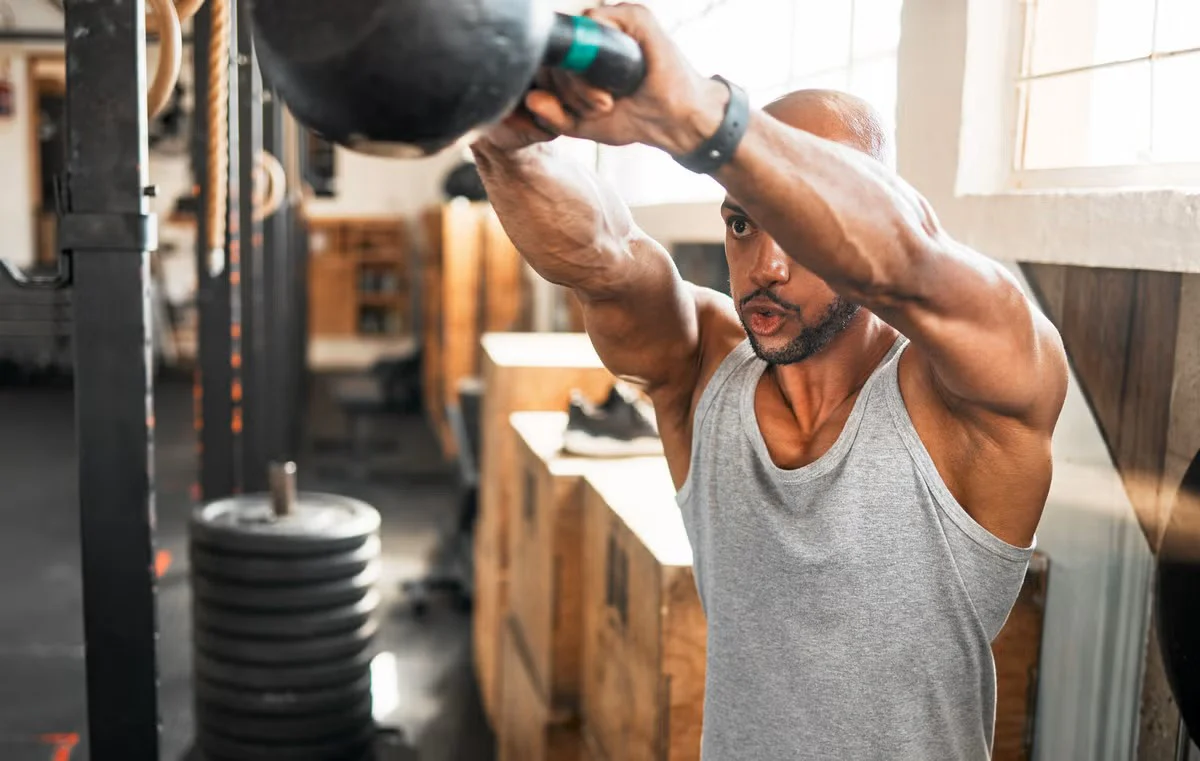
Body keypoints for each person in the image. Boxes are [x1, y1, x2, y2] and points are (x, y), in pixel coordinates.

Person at [471, 5, 1069, 759]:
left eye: (800, 230)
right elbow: (606, 253)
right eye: (743, 224)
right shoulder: (703, 374)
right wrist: (499, 129)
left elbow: (909, 258)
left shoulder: (966, 402)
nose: (767, 267)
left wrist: (698, 115)